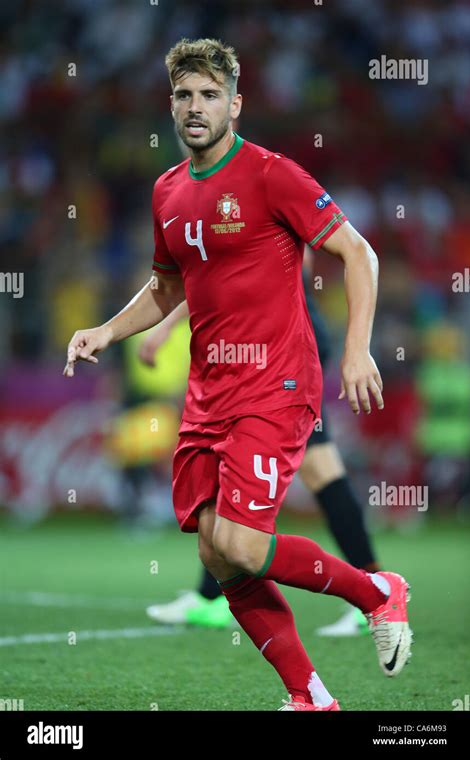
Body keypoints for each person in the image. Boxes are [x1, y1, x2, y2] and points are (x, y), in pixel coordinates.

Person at [64, 38, 412, 711]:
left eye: (209, 95)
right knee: (219, 553)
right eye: (185, 96)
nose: (196, 108)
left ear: (236, 104)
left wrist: (357, 348)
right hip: (207, 396)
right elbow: (169, 287)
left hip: (275, 386)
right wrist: (106, 330)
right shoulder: (166, 190)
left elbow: (358, 252)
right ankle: (310, 696)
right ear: (171, 105)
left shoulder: (272, 174)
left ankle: (377, 591)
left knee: (245, 546)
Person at [142, 265, 381, 637]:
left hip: (284, 345)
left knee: (317, 469)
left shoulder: (270, 212)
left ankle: (374, 591)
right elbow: (222, 275)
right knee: (307, 467)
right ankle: (211, 597)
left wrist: (166, 325)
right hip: (271, 340)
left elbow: (251, 270)